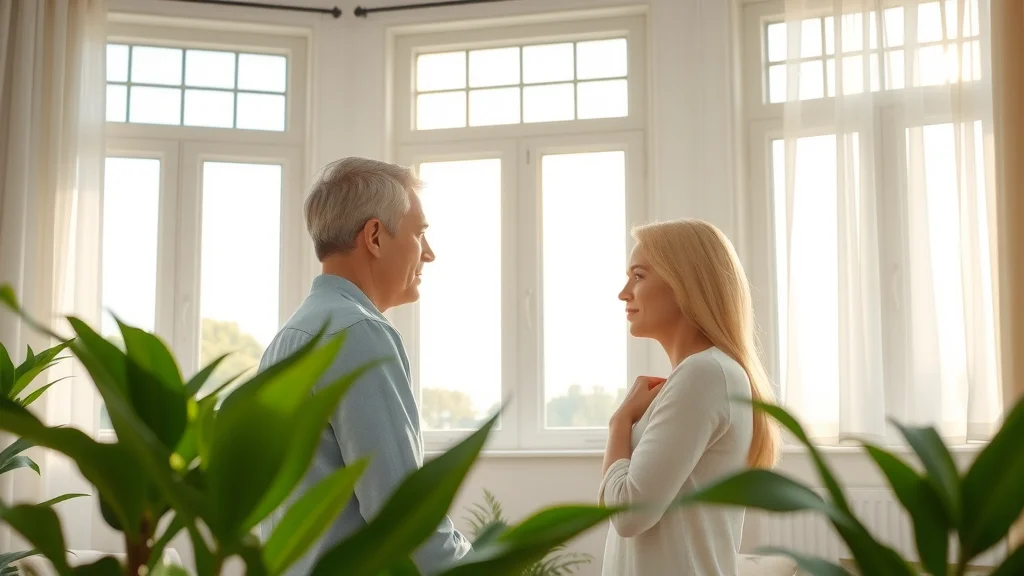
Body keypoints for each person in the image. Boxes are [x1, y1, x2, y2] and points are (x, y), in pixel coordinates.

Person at [257, 157, 470, 575]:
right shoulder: (360, 333)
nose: (429, 253)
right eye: (420, 233)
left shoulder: (292, 336)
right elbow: (403, 518)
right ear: (374, 236)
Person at [599, 218, 781, 576]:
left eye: (638, 276)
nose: (623, 292)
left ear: (685, 283)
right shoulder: (706, 374)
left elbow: (628, 514)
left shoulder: (704, 375)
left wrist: (619, 423)